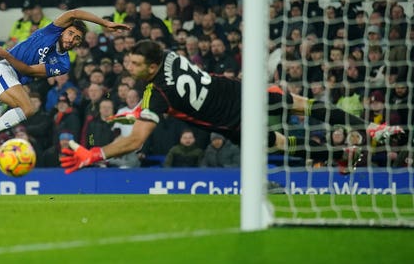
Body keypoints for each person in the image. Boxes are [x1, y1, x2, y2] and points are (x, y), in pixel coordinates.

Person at [60, 40, 406, 173]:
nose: (128, 68)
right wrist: (138, 111)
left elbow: (136, 141)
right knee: (302, 106)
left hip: (232, 121)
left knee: (284, 143)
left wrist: (96, 154)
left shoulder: (156, 94)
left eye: (134, 64)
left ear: (149, 67)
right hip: (239, 92)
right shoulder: (167, 56)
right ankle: (365, 130)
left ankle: (340, 154)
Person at [0, 8, 129, 199]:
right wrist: (104, 23)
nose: (73, 39)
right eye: (71, 34)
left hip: (9, 75)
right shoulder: (51, 31)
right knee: (28, 108)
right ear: (63, 31)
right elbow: (74, 12)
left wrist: (6, 53)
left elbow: (29, 71)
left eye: (77, 38)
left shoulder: (63, 63)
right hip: (1, 71)